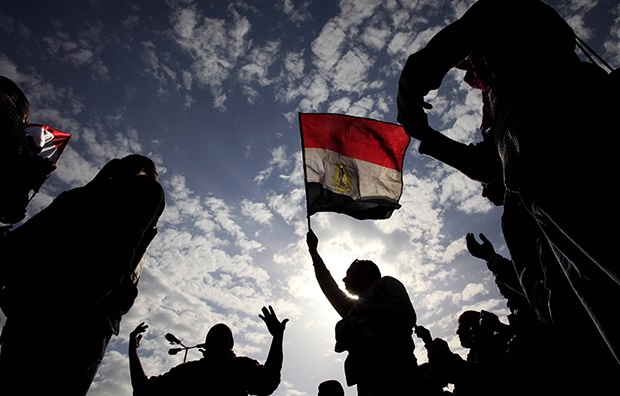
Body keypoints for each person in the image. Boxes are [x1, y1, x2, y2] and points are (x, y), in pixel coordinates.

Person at [397, 0, 619, 368]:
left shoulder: (504, 21)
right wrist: (431, 140)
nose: (469, 71)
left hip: (558, 144)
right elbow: (491, 165)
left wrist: (409, 103)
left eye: (469, 63)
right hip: (544, 174)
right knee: (584, 311)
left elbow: (437, 55)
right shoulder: (501, 101)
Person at [0, 154, 165, 396]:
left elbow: (13, 250)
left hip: (32, 316)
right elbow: (117, 259)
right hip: (81, 322)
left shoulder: (75, 197)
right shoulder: (145, 189)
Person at [306, 229, 417, 396]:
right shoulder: (351, 306)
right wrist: (314, 252)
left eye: (349, 273)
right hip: (366, 377)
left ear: (366, 271)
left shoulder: (385, 284)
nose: (344, 279)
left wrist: (366, 310)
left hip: (398, 369)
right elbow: (329, 287)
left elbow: (407, 315)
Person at [129, 306, 288, 396]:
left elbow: (267, 383)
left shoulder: (240, 366)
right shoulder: (187, 371)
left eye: (224, 333)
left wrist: (277, 338)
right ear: (205, 344)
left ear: (230, 344)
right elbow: (143, 389)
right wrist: (132, 351)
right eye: (213, 333)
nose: (218, 333)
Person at [0, 76, 56, 224]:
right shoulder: (4, 105)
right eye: (24, 119)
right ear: (13, 98)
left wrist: (26, 181)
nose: (24, 124)